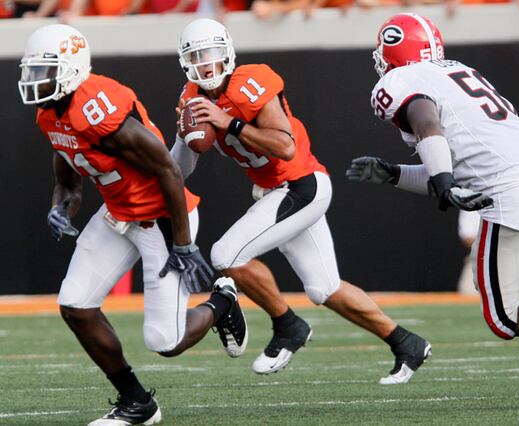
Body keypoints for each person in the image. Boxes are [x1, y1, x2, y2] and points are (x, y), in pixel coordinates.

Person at [345, 12, 519, 407]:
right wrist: (396, 174)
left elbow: (428, 125)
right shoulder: (456, 71)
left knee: (507, 317)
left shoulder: (399, 80)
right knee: (516, 299)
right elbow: (452, 165)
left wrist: (444, 183)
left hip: (512, 191)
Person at [170, 18, 431, 384]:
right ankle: (407, 343)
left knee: (225, 256)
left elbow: (285, 145)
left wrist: (228, 122)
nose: (206, 64)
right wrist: (183, 139)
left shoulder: (252, 80)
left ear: (227, 53)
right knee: (325, 288)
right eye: (196, 57)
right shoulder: (191, 98)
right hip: (277, 190)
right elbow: (182, 166)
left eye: (211, 54)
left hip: (300, 185)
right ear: (185, 63)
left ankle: (287, 325)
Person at [19, 24, 248, 425]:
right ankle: (137, 403)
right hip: (117, 213)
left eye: (46, 70)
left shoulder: (97, 106)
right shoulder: (49, 114)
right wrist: (62, 205)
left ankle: (223, 300)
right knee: (75, 305)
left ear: (71, 69)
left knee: (166, 341)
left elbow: (167, 169)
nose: (36, 80)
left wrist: (183, 244)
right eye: (34, 70)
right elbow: (68, 174)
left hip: (161, 218)